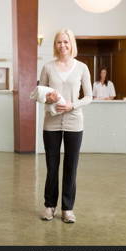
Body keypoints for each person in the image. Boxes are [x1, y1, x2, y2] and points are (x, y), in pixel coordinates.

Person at [39, 29, 92, 223]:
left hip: (74, 122)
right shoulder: (47, 67)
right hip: (51, 123)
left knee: (71, 167)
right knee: (52, 167)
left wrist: (72, 105)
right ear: (55, 45)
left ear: (72, 45)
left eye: (66, 42)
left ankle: (67, 209)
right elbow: (39, 94)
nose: (62, 45)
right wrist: (47, 98)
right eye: (59, 42)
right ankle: (49, 206)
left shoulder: (82, 68)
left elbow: (89, 96)